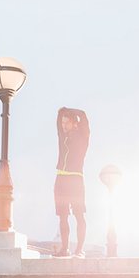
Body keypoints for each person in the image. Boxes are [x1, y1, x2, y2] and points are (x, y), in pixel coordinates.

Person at [53, 107, 90, 258]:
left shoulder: (83, 137)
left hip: (75, 180)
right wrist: (62, 112)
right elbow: (58, 118)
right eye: (63, 123)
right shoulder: (62, 136)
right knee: (62, 216)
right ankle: (65, 248)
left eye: (67, 123)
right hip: (60, 180)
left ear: (75, 123)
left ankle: (79, 249)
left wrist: (69, 110)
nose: (63, 125)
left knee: (79, 215)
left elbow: (84, 115)